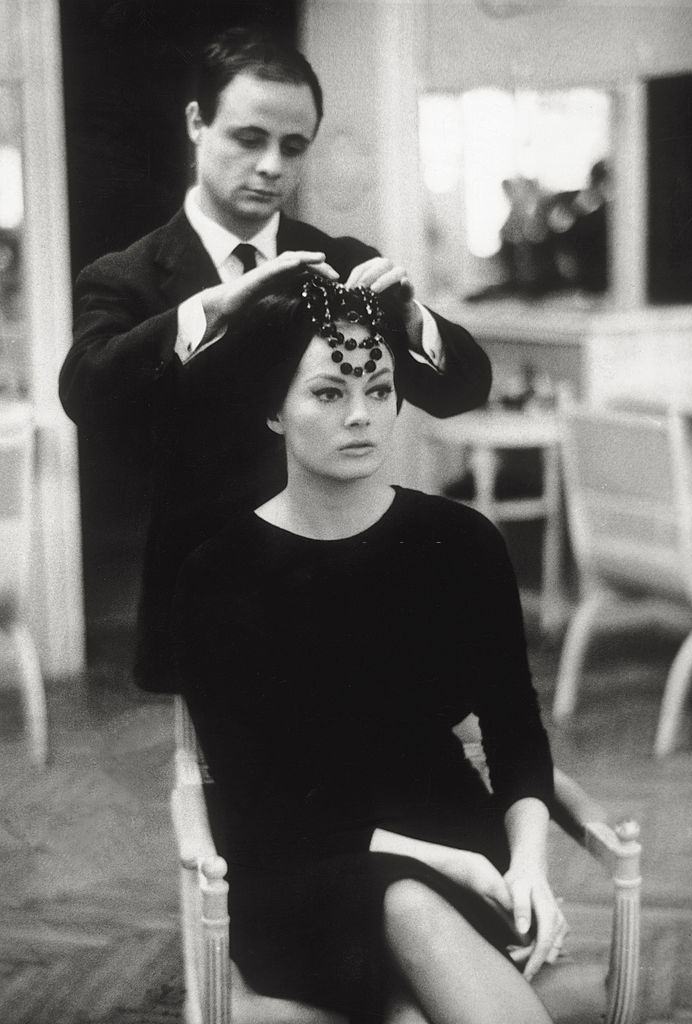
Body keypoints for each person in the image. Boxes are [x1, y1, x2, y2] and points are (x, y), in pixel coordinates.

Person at [171, 275, 567, 1024]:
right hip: (298, 869)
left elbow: (516, 732)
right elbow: (263, 802)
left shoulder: (461, 543)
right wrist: (443, 863)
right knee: (406, 903)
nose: (360, 416)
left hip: (456, 838)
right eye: (326, 393)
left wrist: (530, 870)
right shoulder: (218, 572)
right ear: (271, 410)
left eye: (379, 388)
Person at [58, 27, 492, 691]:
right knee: (216, 788)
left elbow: (463, 388)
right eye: (248, 138)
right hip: (204, 591)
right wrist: (214, 308)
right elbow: (86, 392)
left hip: (339, 577)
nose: (270, 167)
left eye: (293, 147)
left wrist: (412, 319)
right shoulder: (126, 277)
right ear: (197, 123)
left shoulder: (338, 260)